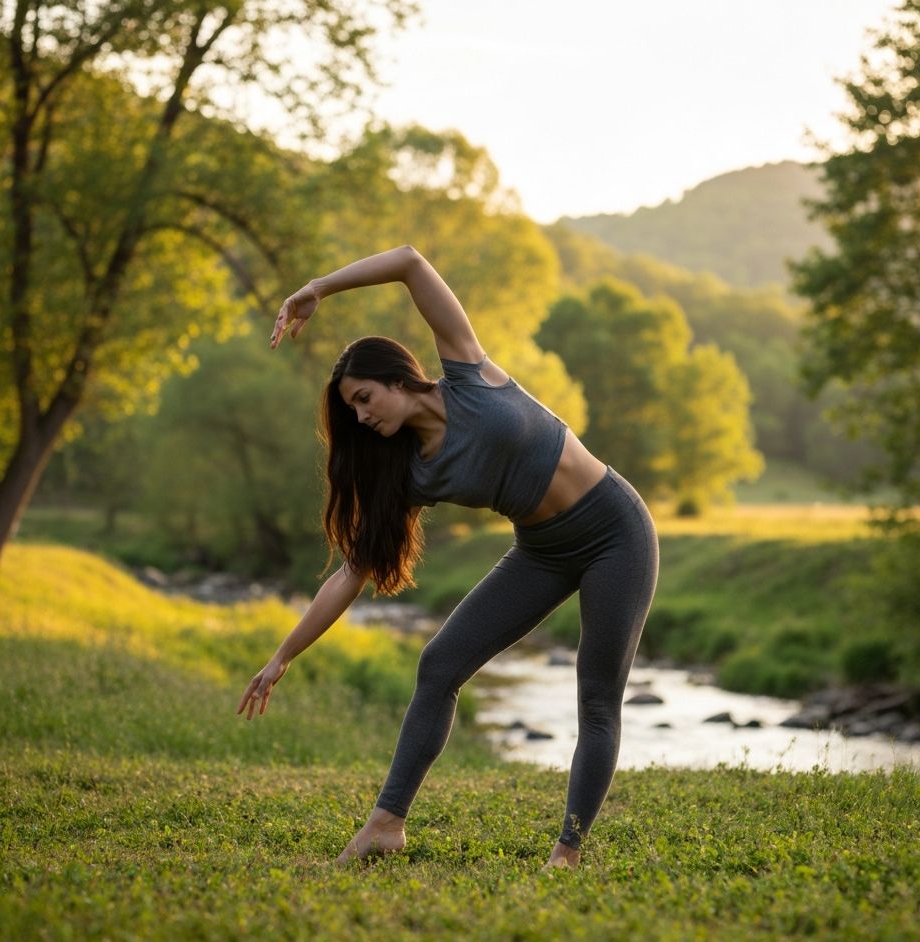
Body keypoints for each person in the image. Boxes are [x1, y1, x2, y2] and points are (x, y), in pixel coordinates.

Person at [236, 246, 658, 869]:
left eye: (364, 397)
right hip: (541, 551)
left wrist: (318, 288)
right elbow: (350, 573)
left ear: (397, 380)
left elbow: (409, 262)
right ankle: (386, 823)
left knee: (596, 696)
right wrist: (281, 657)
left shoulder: (467, 373)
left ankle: (567, 853)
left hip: (616, 531)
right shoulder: (409, 474)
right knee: (438, 666)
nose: (361, 414)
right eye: (352, 408)